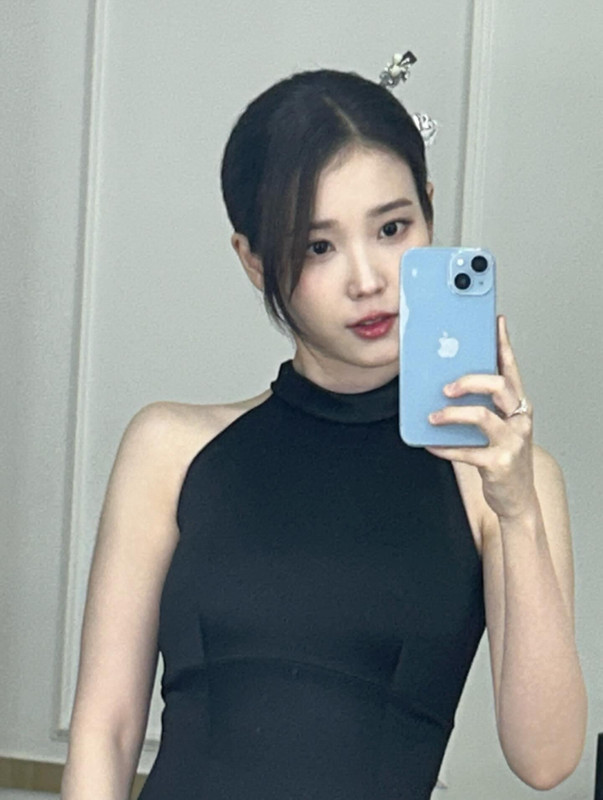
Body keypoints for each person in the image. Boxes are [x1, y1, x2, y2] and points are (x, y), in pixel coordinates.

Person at [61, 64, 587, 800]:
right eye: (318, 246)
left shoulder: (503, 485)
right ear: (253, 260)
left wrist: (518, 511)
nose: (366, 279)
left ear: (429, 212)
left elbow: (546, 759)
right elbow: (106, 729)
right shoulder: (169, 449)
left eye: (392, 228)